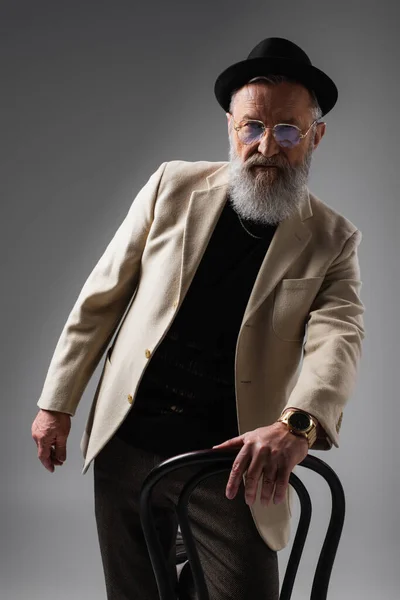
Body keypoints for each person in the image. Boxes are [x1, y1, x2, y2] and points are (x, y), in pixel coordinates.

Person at [31, 37, 365, 600]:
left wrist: (297, 425)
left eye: (287, 130)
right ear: (230, 128)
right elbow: (101, 297)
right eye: (252, 127)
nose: (267, 146)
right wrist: (55, 403)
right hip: (127, 439)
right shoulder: (171, 186)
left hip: (230, 462)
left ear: (315, 136)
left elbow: (340, 337)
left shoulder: (332, 239)